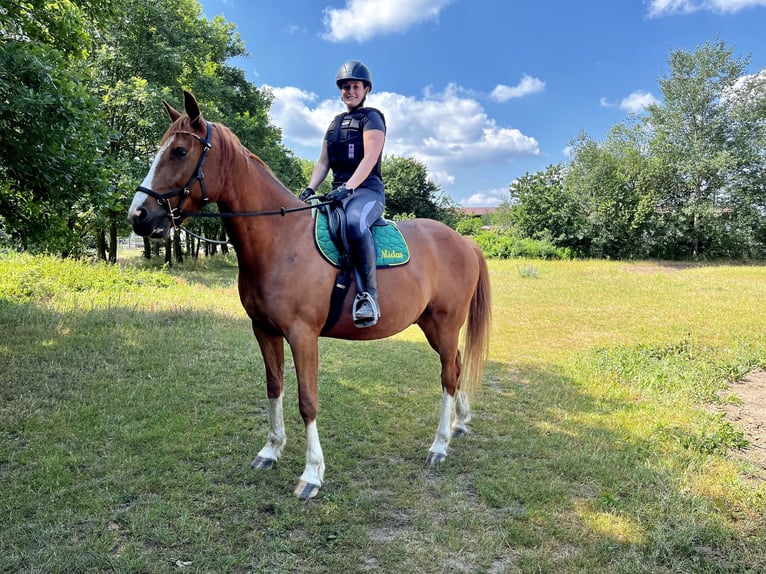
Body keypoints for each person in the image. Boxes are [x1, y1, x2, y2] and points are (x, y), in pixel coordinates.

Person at [300, 60, 387, 328]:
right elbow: (323, 163)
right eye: (346, 87)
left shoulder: (372, 117)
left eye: (355, 86)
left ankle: (368, 297)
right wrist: (310, 188)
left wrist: (349, 187)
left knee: (353, 223)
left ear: (366, 89)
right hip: (338, 192)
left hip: (366, 191)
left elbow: (370, 157)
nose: (350, 91)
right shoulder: (335, 124)